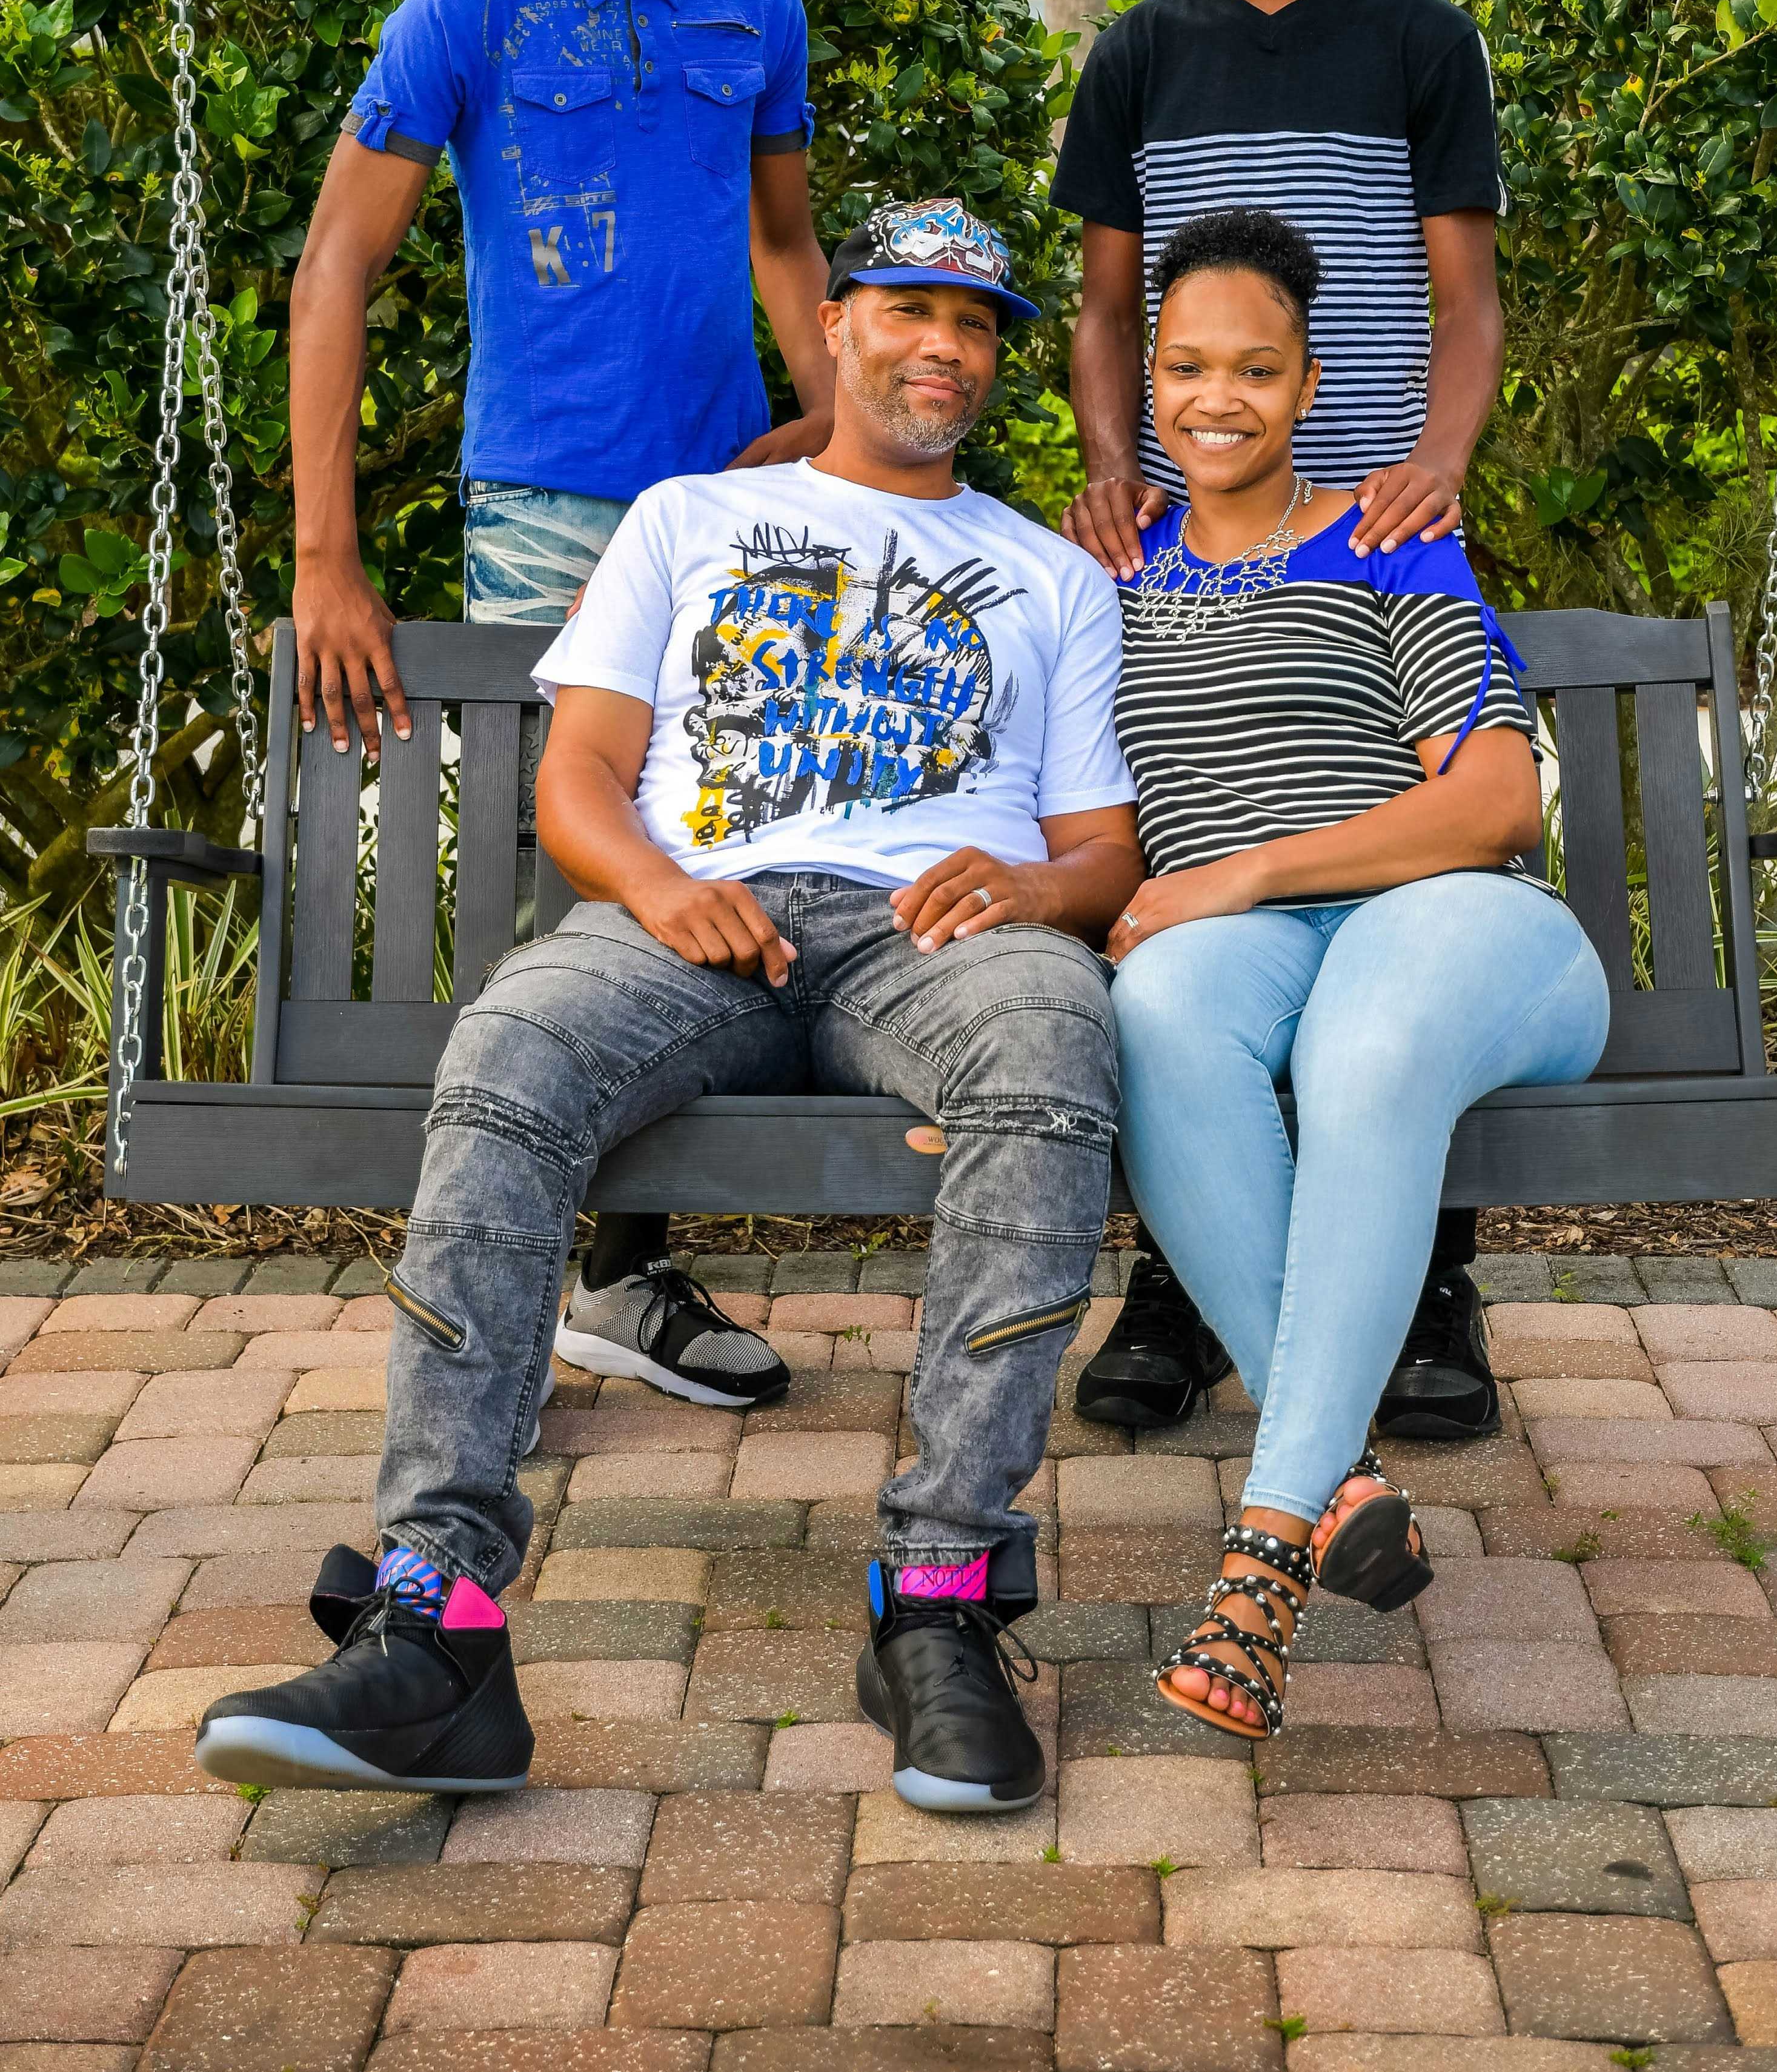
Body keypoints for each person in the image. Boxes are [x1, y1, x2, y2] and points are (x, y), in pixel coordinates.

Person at [195, 197, 1141, 1814]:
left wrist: (1035, 897)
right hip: (689, 919)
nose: (944, 345)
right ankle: (440, 1623)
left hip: (935, 932)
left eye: (976, 324)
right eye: (910, 310)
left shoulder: (1050, 574)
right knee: (504, 1056)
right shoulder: (688, 517)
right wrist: (654, 883)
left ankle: (943, 1602)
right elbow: (575, 776)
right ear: (835, 326)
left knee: (1054, 1055)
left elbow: (1101, 847)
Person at [288, 0, 836, 1396]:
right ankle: (528, 1293)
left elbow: (787, 244)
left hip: (726, 508)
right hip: (544, 507)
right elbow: (337, 267)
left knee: (721, 853)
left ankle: (635, 1275)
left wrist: (831, 421)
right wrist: (327, 553)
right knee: (562, 875)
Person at [1051, 0, 1508, 1443]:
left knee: (1407, 889)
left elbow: (1464, 300)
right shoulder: (1139, 55)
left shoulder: (1417, 39)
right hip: (1199, 521)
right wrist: (1113, 469)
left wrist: (1436, 462)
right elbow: (1105, 305)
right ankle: (1182, 1278)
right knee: (1191, 836)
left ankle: (1432, 1285)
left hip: (1376, 525)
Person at [1097, 207, 1609, 1738]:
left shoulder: (1390, 537)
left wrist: (1247, 866)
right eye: (1185, 365)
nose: (1215, 398)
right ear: (1150, 381)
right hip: (1244, 953)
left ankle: (1262, 1550)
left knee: (1364, 1046)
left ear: (1310, 383)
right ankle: (1337, 1482)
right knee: (1155, 1013)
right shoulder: (1114, 570)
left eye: (1255, 368)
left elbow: (1495, 798)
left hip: (1455, 924)